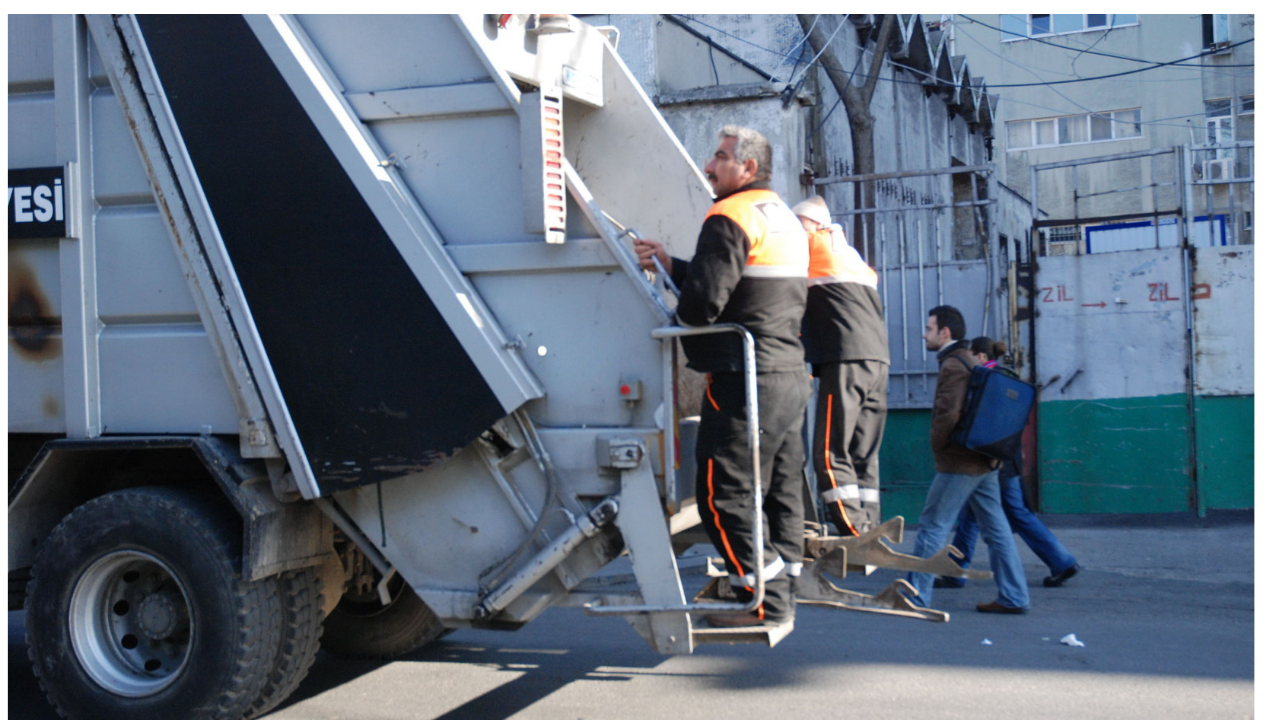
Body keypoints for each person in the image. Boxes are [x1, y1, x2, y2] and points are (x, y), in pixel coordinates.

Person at [633, 126, 810, 628]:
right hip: (785, 373)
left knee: (722, 493)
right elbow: (743, 286)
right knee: (777, 489)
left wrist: (671, 306)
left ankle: (762, 601)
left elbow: (703, 304)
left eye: (719, 157)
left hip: (742, 378)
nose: (709, 167)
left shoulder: (728, 215)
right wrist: (673, 263)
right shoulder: (780, 217)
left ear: (747, 169)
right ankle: (783, 589)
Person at [905, 307, 1031, 614]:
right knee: (997, 529)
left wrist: (937, 445)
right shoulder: (968, 360)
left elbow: (948, 413)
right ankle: (1014, 597)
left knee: (933, 525)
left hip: (960, 462)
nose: (925, 334)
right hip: (984, 460)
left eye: (929, 327)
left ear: (944, 332)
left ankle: (914, 596)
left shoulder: (952, 363)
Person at [936, 337, 1080, 589]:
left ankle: (1061, 560)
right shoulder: (1009, 376)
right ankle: (954, 571)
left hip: (990, 460)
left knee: (993, 515)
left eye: (973, 356)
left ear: (981, 357)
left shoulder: (986, 379)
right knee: (984, 514)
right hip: (1009, 457)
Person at [791, 195, 890, 536]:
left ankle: (853, 529)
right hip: (878, 361)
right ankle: (870, 525)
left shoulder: (811, 247)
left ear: (816, 225)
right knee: (863, 451)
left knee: (830, 451)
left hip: (845, 358)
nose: (794, 233)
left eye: (798, 226)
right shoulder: (854, 258)